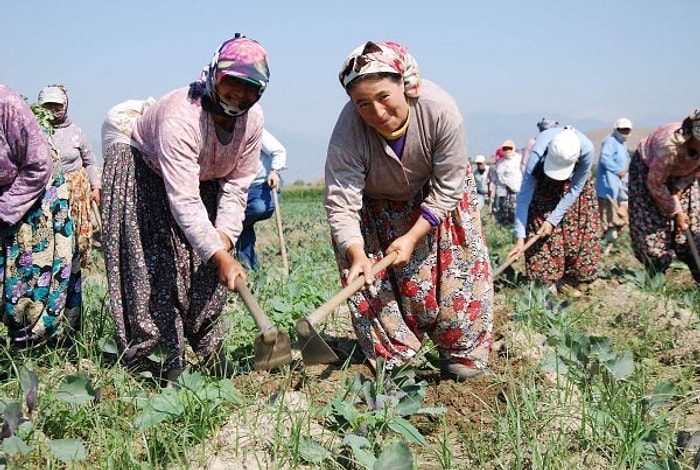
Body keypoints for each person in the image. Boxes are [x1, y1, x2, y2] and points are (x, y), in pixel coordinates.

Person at [100, 35, 270, 382]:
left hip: (203, 176)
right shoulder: (182, 116)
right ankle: (161, 359)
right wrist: (219, 254)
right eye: (231, 84)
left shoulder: (252, 121)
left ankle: (208, 346)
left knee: (209, 260)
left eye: (249, 88)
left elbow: (238, 183)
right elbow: (185, 200)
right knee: (155, 263)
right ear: (214, 77)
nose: (239, 95)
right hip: (143, 166)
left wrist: (223, 238)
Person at [325, 40, 493, 381]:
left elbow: (449, 185)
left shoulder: (439, 110)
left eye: (384, 97)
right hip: (378, 206)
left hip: (439, 198)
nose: (377, 112)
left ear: (405, 85)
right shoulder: (348, 133)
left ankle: (463, 353)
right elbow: (341, 204)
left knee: (459, 269)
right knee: (367, 274)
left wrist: (414, 234)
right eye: (363, 104)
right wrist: (357, 253)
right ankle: (393, 357)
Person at [0, 84, 81, 350]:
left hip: (35, 194)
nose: (53, 110)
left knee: (29, 273)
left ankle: (30, 342)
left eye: (58, 105)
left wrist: (5, 210)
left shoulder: (8, 106)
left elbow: (38, 166)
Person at [509, 126, 600, 295]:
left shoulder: (586, 150)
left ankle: (571, 278)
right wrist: (520, 239)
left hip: (574, 188)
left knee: (576, 225)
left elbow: (575, 189)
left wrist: (553, 220)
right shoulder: (537, 154)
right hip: (543, 184)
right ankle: (544, 282)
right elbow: (524, 198)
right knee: (538, 224)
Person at [628, 109, 700, 282]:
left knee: (693, 223)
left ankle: (696, 271)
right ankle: (656, 275)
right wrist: (676, 211)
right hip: (650, 172)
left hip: (683, 176)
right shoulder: (669, 147)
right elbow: (655, 183)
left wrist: (679, 188)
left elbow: (696, 171)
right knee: (652, 227)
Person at [38, 85, 102, 268]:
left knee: (75, 238)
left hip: (75, 192)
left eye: (57, 106)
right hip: (48, 191)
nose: (53, 111)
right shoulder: (37, 131)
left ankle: (74, 272)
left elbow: (90, 161)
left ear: (65, 105)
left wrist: (95, 188)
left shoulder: (77, 132)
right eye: (48, 106)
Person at [235, 128, 287, 270]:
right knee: (243, 227)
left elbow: (279, 151)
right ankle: (249, 268)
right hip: (239, 187)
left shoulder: (253, 129)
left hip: (263, 183)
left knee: (260, 208)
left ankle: (230, 229)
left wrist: (275, 170)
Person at [595, 117, 633, 243]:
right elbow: (605, 159)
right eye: (622, 129)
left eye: (627, 130)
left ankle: (614, 239)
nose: (624, 132)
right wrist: (618, 171)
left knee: (617, 213)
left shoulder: (622, 142)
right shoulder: (610, 141)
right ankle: (607, 239)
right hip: (608, 184)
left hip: (619, 185)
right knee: (608, 213)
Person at [490, 139, 522, 225]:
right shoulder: (500, 162)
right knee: (503, 209)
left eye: (509, 148)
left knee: (516, 210)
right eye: (505, 148)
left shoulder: (519, 159)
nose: (507, 150)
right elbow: (495, 177)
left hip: (517, 189)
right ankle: (505, 226)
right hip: (503, 191)